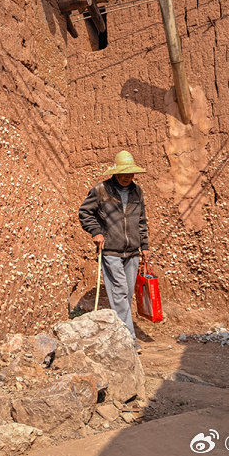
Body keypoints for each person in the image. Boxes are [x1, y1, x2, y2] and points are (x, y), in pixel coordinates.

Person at [78, 150, 150, 353]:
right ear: (116, 173)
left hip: (133, 252)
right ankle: (129, 340)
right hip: (110, 251)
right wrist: (96, 232)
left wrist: (144, 246)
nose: (128, 177)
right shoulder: (101, 190)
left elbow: (142, 221)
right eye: (124, 174)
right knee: (119, 293)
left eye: (130, 174)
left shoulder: (138, 192)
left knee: (126, 294)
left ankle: (118, 333)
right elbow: (85, 212)